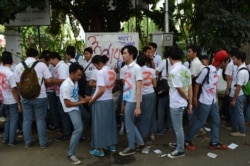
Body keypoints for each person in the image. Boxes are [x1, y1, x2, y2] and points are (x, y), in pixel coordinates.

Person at [183, 50, 228, 152]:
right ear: (223, 62)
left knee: (216, 121)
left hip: (213, 101)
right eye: (227, 61)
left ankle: (214, 142)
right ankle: (187, 140)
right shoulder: (206, 70)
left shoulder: (218, 71)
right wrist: (194, 98)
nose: (227, 63)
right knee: (200, 121)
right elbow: (197, 83)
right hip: (204, 100)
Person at [14, 48, 52, 148]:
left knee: (27, 120)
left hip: (25, 97)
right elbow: (48, 80)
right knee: (40, 120)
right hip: (40, 96)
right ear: (37, 55)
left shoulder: (19, 66)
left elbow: (18, 83)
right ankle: (43, 143)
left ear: (26, 55)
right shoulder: (41, 65)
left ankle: (28, 142)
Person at [59, 63, 90, 165]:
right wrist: (83, 102)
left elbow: (76, 95)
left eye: (81, 75)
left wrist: (84, 99)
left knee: (87, 118)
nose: (80, 77)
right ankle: (71, 154)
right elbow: (68, 104)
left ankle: (78, 136)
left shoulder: (75, 81)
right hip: (71, 108)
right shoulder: (66, 86)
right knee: (79, 128)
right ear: (72, 73)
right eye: (78, 75)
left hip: (76, 104)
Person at [88, 55, 117, 157]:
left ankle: (99, 149)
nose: (96, 68)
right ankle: (111, 145)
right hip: (109, 100)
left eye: (96, 66)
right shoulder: (112, 71)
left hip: (100, 101)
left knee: (99, 126)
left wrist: (92, 100)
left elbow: (101, 90)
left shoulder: (100, 72)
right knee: (109, 124)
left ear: (99, 63)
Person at [119, 45, 145, 156]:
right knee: (129, 122)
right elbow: (126, 87)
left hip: (134, 100)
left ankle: (131, 147)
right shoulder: (124, 69)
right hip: (127, 99)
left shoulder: (137, 68)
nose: (123, 55)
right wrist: (123, 102)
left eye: (125, 53)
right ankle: (140, 142)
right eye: (123, 53)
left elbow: (139, 88)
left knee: (128, 124)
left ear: (131, 54)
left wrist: (138, 106)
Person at [167, 47, 192, 158]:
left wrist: (187, 98)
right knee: (179, 126)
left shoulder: (173, 71)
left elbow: (180, 89)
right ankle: (179, 143)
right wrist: (189, 100)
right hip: (182, 102)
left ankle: (180, 149)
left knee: (178, 127)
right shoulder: (186, 69)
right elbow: (189, 86)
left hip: (176, 102)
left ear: (170, 58)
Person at [48, 52, 72, 141]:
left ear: (55, 58)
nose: (50, 62)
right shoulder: (57, 67)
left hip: (63, 94)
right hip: (59, 93)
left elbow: (63, 80)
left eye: (50, 60)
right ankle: (66, 130)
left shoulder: (62, 66)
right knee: (63, 113)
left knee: (64, 113)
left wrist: (51, 81)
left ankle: (67, 132)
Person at [0, 51, 22, 146]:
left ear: (2, 61)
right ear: (12, 61)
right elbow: (14, 89)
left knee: (9, 119)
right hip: (11, 100)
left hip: (3, 99)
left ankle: (6, 138)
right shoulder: (10, 74)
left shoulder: (0, 70)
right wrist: (18, 103)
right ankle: (11, 141)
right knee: (13, 120)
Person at [136, 53, 157, 140]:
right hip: (150, 94)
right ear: (146, 62)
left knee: (141, 115)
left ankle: (142, 134)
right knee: (151, 113)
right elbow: (155, 84)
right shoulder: (152, 71)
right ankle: (152, 133)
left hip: (139, 95)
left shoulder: (136, 70)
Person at [229, 50, 249, 137]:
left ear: (239, 59)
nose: (233, 61)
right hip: (239, 95)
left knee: (239, 113)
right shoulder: (241, 69)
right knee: (236, 112)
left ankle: (241, 131)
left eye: (234, 59)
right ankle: (236, 127)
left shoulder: (242, 72)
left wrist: (234, 99)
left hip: (239, 95)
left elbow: (238, 87)